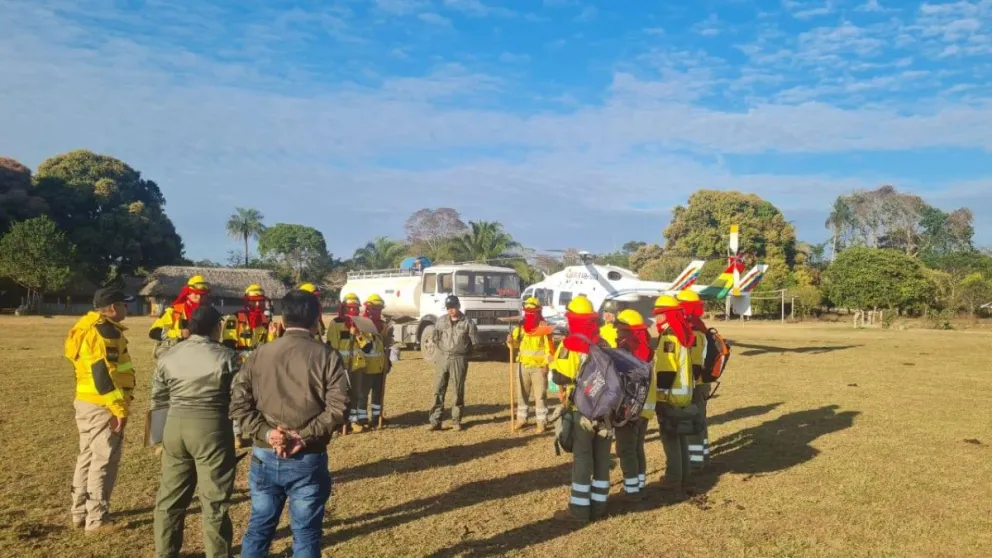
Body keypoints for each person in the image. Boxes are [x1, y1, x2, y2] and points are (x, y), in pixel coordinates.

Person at [231, 289, 349, 558]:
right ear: (317, 318)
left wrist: (267, 432)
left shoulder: (259, 354)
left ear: (282, 321)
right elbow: (339, 407)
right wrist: (303, 437)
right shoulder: (327, 356)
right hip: (307, 457)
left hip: (265, 454)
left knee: (259, 528)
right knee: (306, 535)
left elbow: (238, 404)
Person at [151, 305, 241, 558]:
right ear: (217, 327)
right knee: (214, 500)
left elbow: (157, 399)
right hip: (211, 427)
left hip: (173, 426)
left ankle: (165, 552)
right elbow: (239, 398)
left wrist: (158, 439)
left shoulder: (167, 356)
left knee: (170, 497)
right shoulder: (227, 357)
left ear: (188, 328)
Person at [64, 287, 136, 532]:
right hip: (102, 404)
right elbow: (102, 375)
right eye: (124, 304)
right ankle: (96, 519)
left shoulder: (85, 325)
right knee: (103, 459)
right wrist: (119, 409)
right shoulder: (104, 331)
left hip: (85, 400)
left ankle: (79, 512)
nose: (128, 308)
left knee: (86, 456)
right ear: (113, 308)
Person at [550, 295, 610, 523]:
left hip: (582, 410)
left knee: (583, 458)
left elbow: (560, 376)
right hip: (605, 410)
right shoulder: (603, 342)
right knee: (602, 458)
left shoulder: (571, 344)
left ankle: (579, 509)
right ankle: (600, 506)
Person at [652, 294, 696, 499]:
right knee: (681, 440)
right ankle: (685, 477)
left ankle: (673, 479)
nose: (656, 319)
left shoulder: (669, 337)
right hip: (685, 395)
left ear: (668, 315)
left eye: (659, 315)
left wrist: (660, 398)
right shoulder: (683, 334)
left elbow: (666, 371)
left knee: (670, 441)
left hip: (671, 398)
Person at [612, 309, 656, 502]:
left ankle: (632, 492)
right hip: (645, 407)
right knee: (637, 447)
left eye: (621, 330)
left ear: (628, 331)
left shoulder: (627, 349)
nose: (617, 333)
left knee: (626, 449)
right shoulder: (647, 345)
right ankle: (639, 486)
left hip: (629, 409)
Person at [427, 295, 479, 432]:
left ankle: (456, 420)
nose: (451, 310)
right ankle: (435, 421)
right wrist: (441, 352)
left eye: (453, 307)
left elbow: (475, 342)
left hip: (459, 359)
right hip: (442, 358)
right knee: (438, 389)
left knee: (457, 390)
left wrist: (465, 355)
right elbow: (435, 337)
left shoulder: (468, 322)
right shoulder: (440, 321)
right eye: (449, 308)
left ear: (458, 306)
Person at [326, 292, 373, 432]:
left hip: (357, 366)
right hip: (342, 367)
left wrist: (358, 334)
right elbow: (330, 345)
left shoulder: (363, 323)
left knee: (356, 394)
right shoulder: (336, 323)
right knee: (341, 396)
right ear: (343, 308)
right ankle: (340, 423)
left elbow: (368, 348)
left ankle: (353, 422)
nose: (353, 311)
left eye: (355, 307)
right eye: (349, 307)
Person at [506, 296, 553, 431]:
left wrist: (546, 365)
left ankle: (541, 422)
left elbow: (550, 349)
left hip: (539, 368)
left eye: (533, 311)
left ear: (538, 312)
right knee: (522, 394)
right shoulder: (520, 328)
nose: (530, 314)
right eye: (527, 311)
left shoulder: (545, 327)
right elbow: (514, 346)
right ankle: (522, 419)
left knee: (540, 396)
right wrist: (510, 341)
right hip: (523, 366)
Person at [678, 289, 711, 471]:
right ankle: (703, 456)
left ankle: (696, 462)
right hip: (702, 382)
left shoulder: (694, 329)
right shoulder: (699, 325)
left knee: (694, 422)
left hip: (696, 383)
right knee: (700, 421)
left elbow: (695, 362)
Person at [149, 275, 210, 358]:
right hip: (174, 356)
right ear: (187, 294)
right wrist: (180, 333)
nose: (199, 297)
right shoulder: (173, 311)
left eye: (203, 295)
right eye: (195, 293)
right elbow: (154, 332)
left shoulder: (211, 313)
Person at [358, 293, 391, 429]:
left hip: (379, 367)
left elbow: (383, 345)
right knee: (363, 395)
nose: (377, 311)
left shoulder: (382, 325)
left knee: (378, 395)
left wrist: (387, 361)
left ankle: (377, 417)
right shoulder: (361, 323)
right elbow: (362, 346)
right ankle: (362, 419)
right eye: (375, 308)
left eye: (379, 309)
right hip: (365, 368)